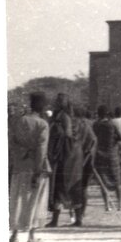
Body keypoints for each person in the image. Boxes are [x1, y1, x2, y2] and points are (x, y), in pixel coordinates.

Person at [10, 92, 51, 242]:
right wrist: (38, 170)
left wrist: (20, 157)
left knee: (17, 199)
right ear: (42, 106)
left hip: (20, 165)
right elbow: (41, 149)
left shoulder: (18, 121)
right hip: (36, 166)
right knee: (35, 200)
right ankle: (31, 235)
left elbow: (12, 143)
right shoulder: (42, 124)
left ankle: (14, 234)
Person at [45, 93, 74, 227]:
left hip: (61, 156)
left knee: (60, 186)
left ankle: (64, 217)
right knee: (56, 187)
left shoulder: (65, 118)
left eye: (59, 101)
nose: (56, 102)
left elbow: (67, 137)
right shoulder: (56, 117)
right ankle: (56, 218)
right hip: (55, 155)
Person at [92, 105, 121, 211]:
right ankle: (120, 204)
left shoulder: (95, 125)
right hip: (112, 154)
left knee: (103, 179)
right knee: (116, 179)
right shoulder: (111, 124)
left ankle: (107, 205)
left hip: (100, 154)